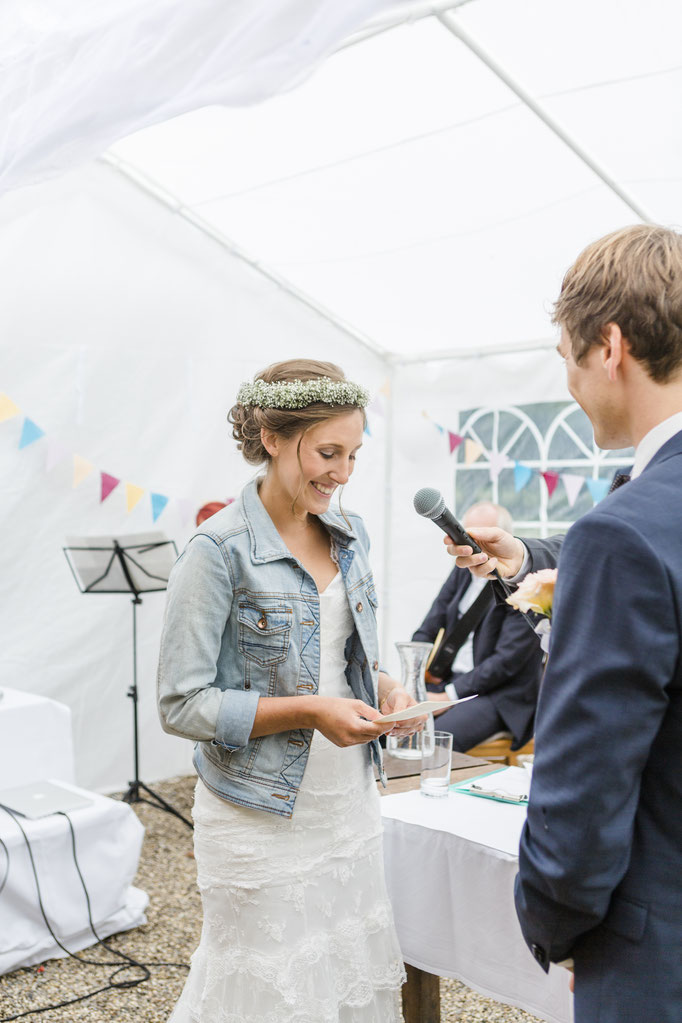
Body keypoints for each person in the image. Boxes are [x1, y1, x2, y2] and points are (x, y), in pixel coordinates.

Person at [446, 225, 682, 1023]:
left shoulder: (624, 535)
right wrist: (529, 557)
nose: (571, 383)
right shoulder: (633, 521)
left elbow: (581, 796)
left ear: (609, 345)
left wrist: (562, 921)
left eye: (566, 357)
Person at [157, 359, 423, 1023]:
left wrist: (386, 687)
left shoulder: (349, 534)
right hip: (258, 813)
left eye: (355, 454)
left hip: (347, 804)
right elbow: (182, 703)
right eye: (328, 452)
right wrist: (310, 709)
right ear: (272, 438)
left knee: (341, 975)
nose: (342, 473)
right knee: (269, 992)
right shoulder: (215, 552)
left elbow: (342, 651)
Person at [412, 501, 543, 752]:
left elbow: (506, 662)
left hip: (499, 694)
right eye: (465, 534)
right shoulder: (463, 568)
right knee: (390, 726)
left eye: (482, 538)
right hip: (452, 681)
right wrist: (414, 675)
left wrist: (447, 697)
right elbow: (432, 620)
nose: (470, 546)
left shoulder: (525, 584)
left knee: (433, 739)